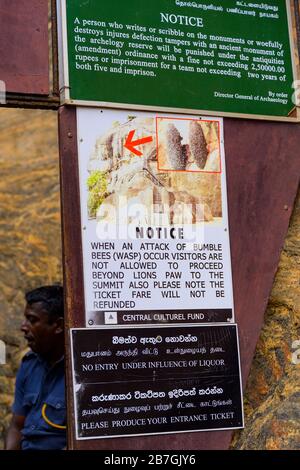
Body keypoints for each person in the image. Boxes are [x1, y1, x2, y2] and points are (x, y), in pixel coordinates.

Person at [5, 285, 66, 450]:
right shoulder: (29, 364)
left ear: (58, 325)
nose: (23, 327)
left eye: (32, 320)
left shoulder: (81, 372)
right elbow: (17, 425)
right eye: (26, 319)